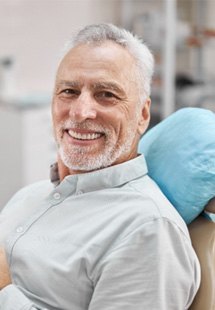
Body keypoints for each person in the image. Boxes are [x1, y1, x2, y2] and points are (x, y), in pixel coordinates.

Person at [0, 23, 200, 309]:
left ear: (142, 114)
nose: (80, 112)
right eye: (68, 91)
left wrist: (5, 289)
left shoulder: (147, 230)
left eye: (106, 94)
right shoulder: (30, 195)